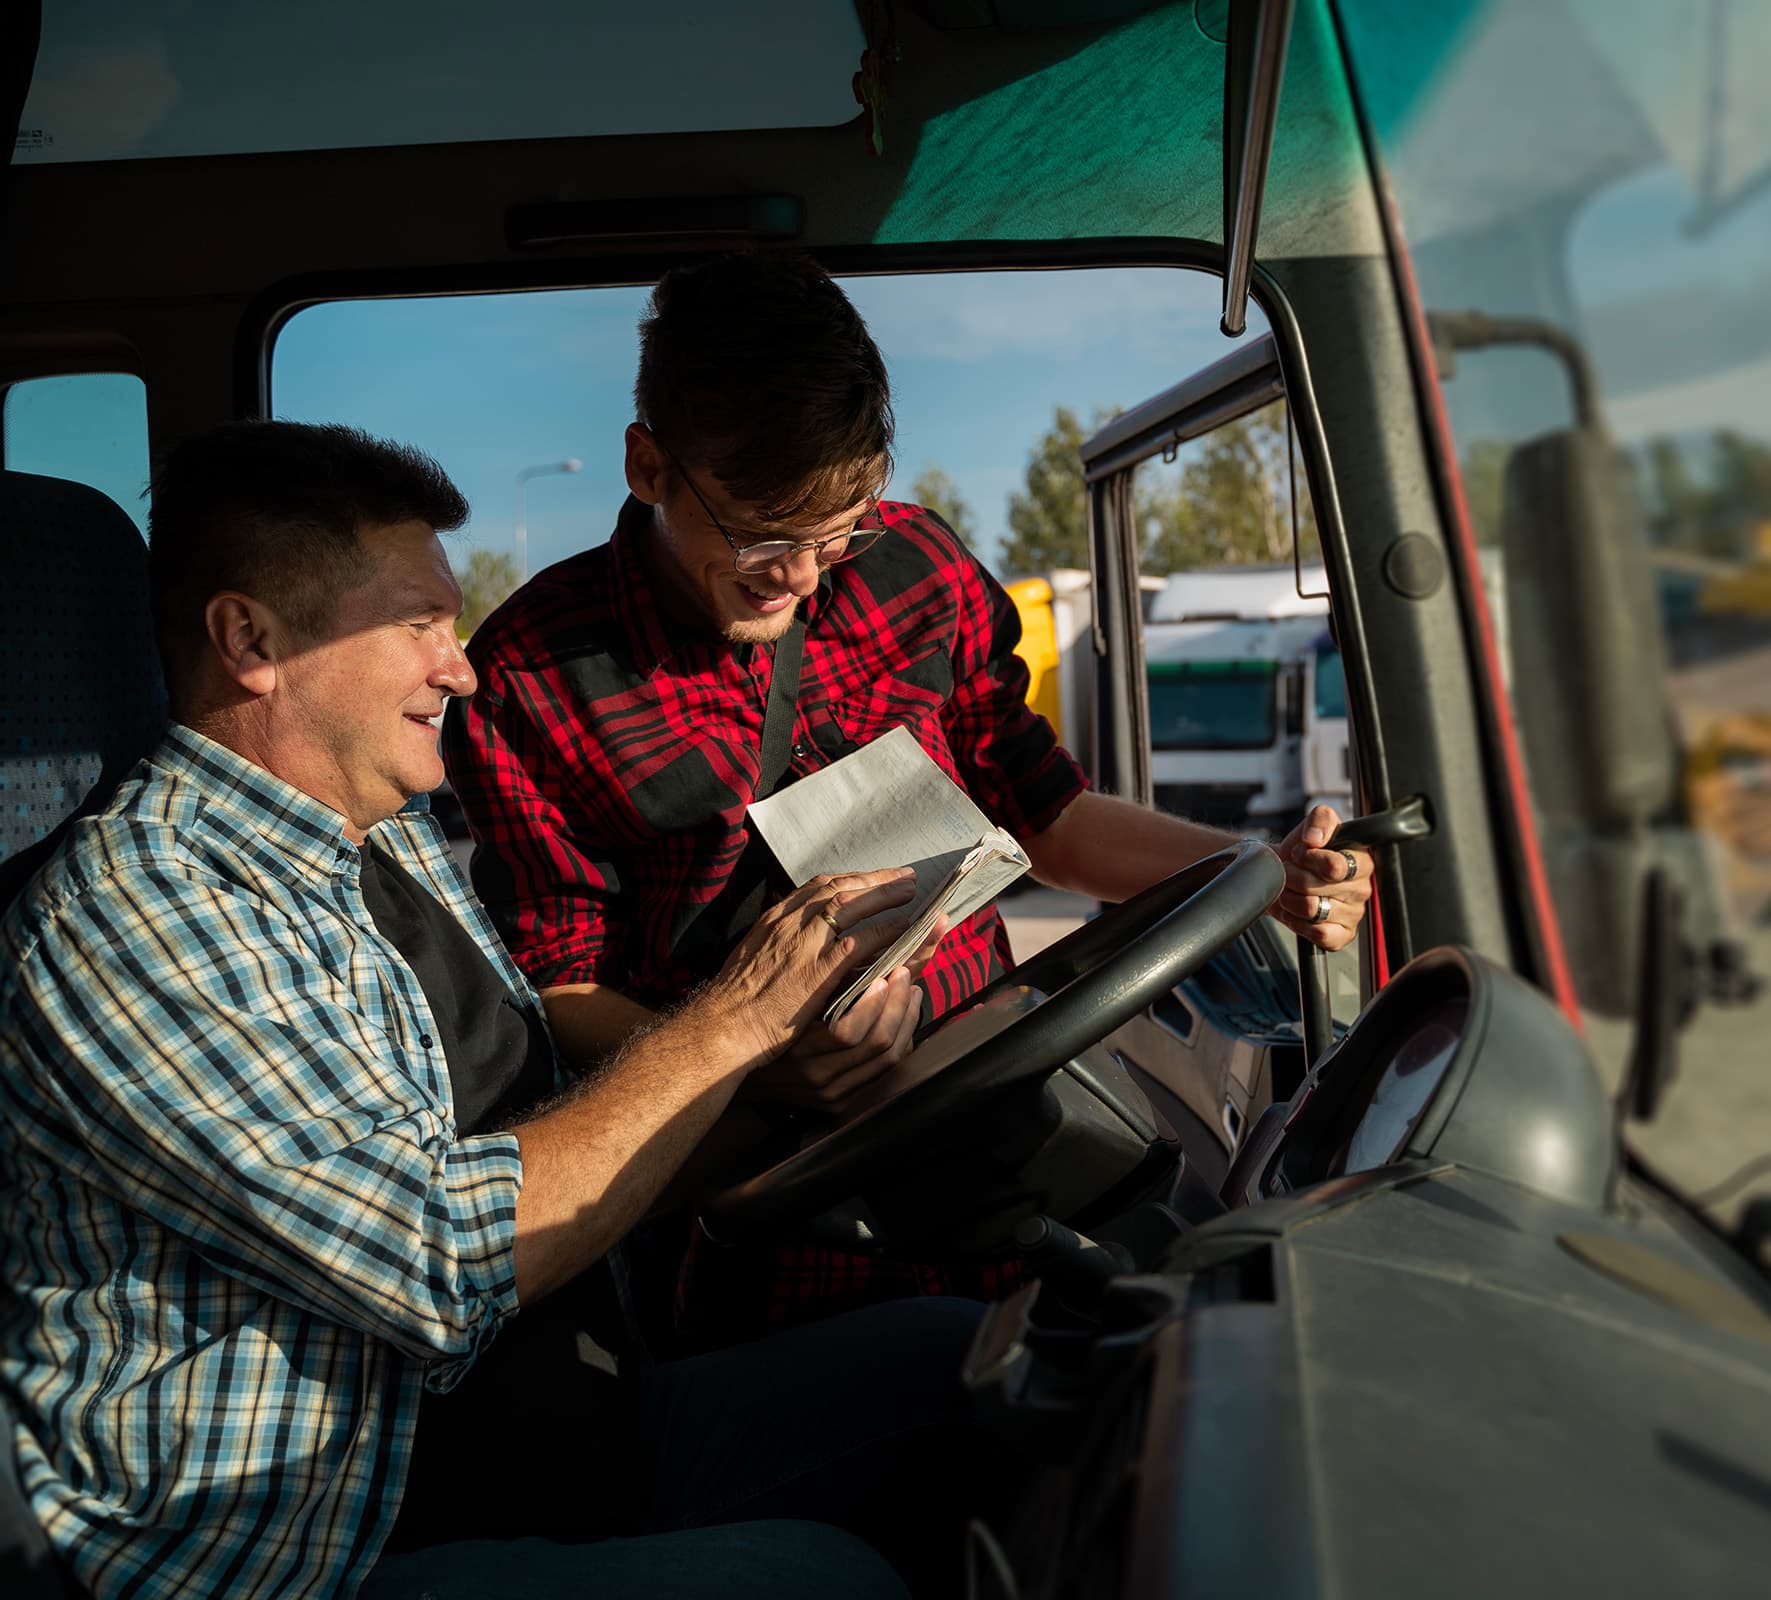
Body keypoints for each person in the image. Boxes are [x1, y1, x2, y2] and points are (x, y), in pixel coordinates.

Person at [0, 421, 983, 1600]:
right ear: (249, 639)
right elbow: (441, 1255)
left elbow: (560, 1120)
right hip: (319, 1543)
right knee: (825, 1583)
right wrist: (737, 1021)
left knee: (971, 1365)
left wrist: (784, 1075)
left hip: (576, 1431)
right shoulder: (136, 912)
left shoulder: (391, 839)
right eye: (415, 625)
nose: (458, 666)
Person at [446, 251, 1376, 1335]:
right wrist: (767, 1062)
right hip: (760, 1196)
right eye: (763, 535)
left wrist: (1255, 875)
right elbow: (561, 989)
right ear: (648, 467)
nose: (802, 575)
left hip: (994, 1104)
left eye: (839, 527)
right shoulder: (529, 676)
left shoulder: (914, 568)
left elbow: (1052, 818)